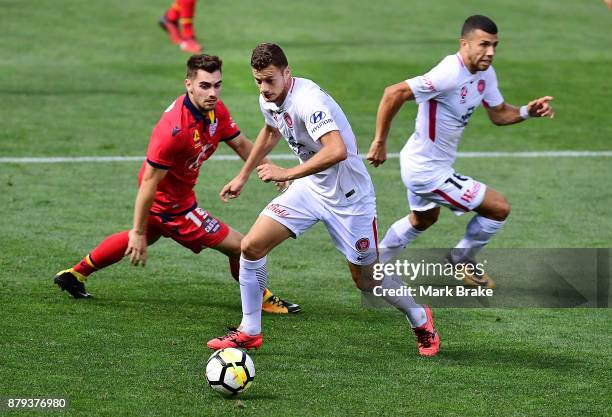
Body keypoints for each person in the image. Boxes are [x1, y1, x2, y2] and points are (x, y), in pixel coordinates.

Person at [206, 43, 440, 357]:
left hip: (349, 199)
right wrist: (244, 174)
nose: (263, 88)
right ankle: (250, 330)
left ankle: (419, 316)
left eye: (270, 80)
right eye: (258, 81)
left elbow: (336, 150)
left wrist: (287, 172)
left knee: (366, 279)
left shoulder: (309, 101)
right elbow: (271, 130)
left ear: (287, 73)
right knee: (251, 246)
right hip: (310, 188)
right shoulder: (270, 98)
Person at [54, 54, 300, 315]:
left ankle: (75, 274)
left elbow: (240, 143)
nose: (213, 92)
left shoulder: (215, 109)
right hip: (173, 207)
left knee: (147, 234)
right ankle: (260, 297)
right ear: (188, 84)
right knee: (242, 247)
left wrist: (270, 170)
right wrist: (138, 231)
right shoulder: (174, 131)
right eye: (205, 86)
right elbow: (149, 182)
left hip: (174, 197)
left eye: (217, 85)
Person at [366, 15, 555, 288]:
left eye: (494, 45)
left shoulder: (484, 73)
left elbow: (499, 114)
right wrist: (380, 141)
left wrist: (527, 111)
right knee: (499, 208)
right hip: (426, 169)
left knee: (424, 219)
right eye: (483, 45)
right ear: (464, 43)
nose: (490, 52)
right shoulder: (449, 73)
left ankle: (376, 264)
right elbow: (393, 93)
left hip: (423, 161)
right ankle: (461, 259)